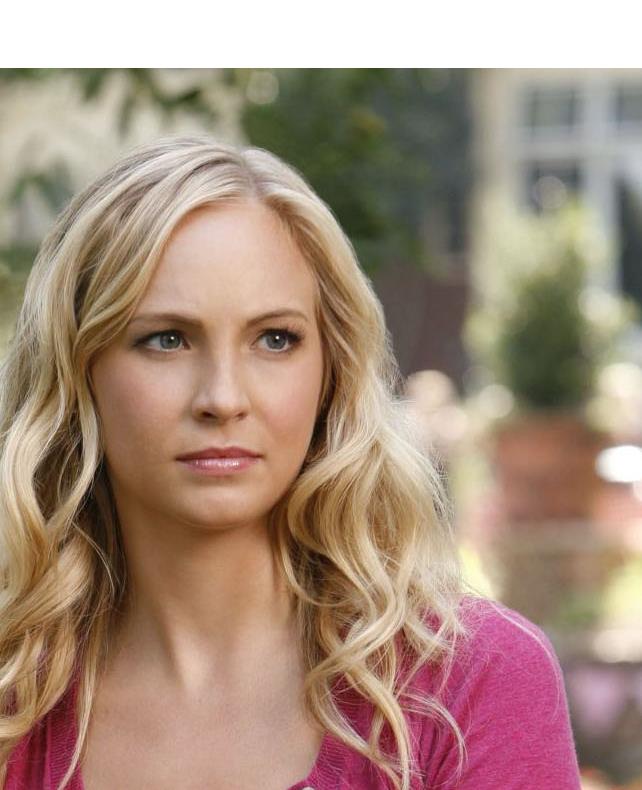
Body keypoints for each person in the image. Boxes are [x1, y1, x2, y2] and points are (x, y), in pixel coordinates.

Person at [0, 135, 581, 790]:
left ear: (331, 370)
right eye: (166, 339)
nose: (224, 398)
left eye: (275, 339)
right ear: (78, 370)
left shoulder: (471, 685)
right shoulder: (14, 711)